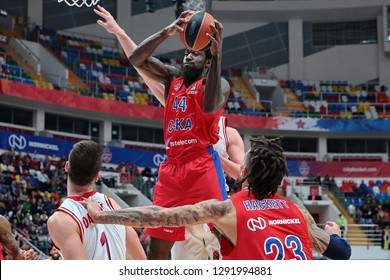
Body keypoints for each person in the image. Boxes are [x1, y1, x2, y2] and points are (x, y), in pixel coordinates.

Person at [94, 6, 230, 260]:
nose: (188, 57)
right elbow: (137, 59)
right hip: (172, 170)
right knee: (157, 248)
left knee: (225, 233)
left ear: (208, 60)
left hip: (202, 165)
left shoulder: (219, 84)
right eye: (187, 52)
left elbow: (210, 105)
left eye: (196, 54)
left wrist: (217, 55)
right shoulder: (173, 79)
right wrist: (165, 33)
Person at [82, 136, 351, 260]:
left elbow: (157, 215)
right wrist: (335, 232)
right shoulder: (298, 212)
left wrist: (101, 215)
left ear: (243, 172)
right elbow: (342, 252)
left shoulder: (227, 210)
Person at [47, 140, 146, 260]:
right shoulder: (112, 204)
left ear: (66, 166)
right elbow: (140, 260)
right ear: (97, 176)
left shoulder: (60, 220)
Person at [171, 115, 245, 260]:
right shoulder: (179, 124)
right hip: (185, 211)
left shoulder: (228, 132)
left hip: (216, 209)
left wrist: (213, 155)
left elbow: (242, 174)